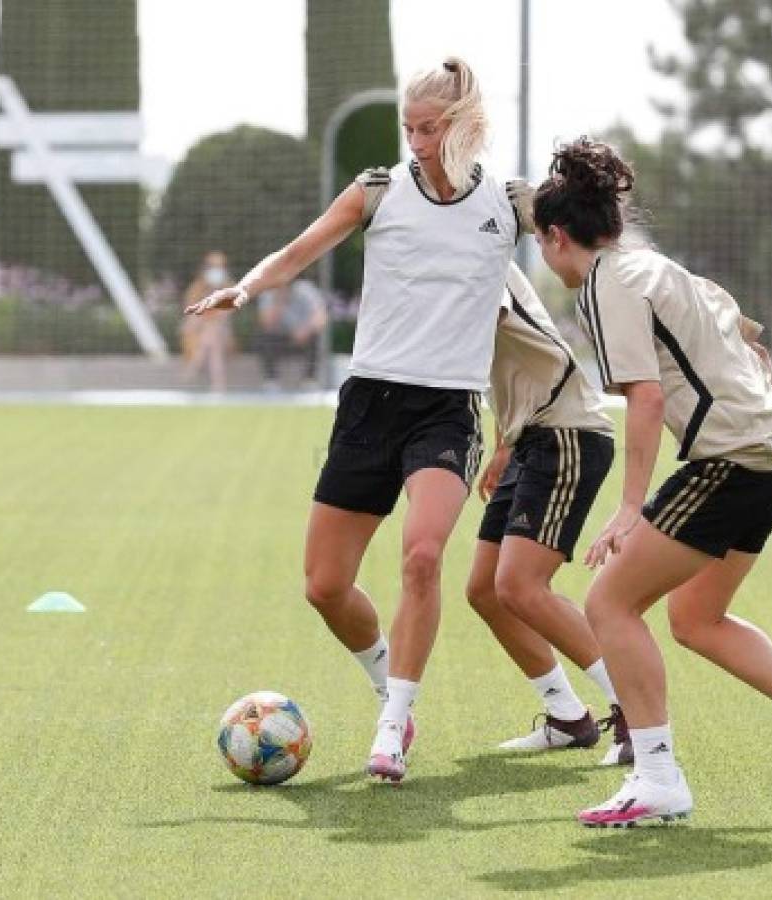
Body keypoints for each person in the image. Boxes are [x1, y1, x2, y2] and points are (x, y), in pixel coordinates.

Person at [186, 58, 533, 783]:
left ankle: (390, 725)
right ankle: (389, 690)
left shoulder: (509, 202)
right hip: (369, 402)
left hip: (445, 409)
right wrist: (244, 290)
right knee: (323, 584)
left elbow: (599, 245)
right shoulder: (378, 191)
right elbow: (299, 251)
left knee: (422, 556)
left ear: (465, 125)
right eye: (409, 128)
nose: (417, 141)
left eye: (430, 128)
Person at [532, 137, 772, 827]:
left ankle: (657, 778)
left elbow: (646, 397)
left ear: (555, 237)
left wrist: (630, 507)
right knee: (694, 619)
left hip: (732, 460)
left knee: (608, 605)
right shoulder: (655, 266)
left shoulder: (605, 283)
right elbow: (749, 340)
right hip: (771, 452)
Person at [466, 261, 630, 763]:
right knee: (486, 591)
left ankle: (635, 711)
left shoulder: (475, 255)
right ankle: (567, 716)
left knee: (520, 586)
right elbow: (509, 358)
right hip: (528, 438)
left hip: (567, 433)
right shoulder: (456, 256)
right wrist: (501, 444)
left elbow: (478, 325)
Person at [256, 279, 328, 391]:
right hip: (281, 338)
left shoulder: (306, 289)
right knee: (264, 339)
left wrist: (305, 330)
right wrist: (279, 300)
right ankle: (271, 381)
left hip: (304, 335)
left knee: (316, 337)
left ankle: (309, 380)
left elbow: (321, 318)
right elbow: (266, 323)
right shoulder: (269, 292)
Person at [181, 250, 235, 392]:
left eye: (220, 267)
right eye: (213, 267)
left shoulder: (231, 290)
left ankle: (193, 368)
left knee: (213, 334)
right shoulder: (195, 289)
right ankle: (219, 385)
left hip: (223, 336)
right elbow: (191, 319)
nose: (216, 271)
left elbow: (225, 316)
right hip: (197, 336)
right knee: (211, 337)